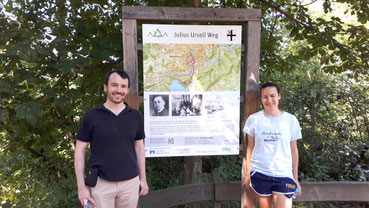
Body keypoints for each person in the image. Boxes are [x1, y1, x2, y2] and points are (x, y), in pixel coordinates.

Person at [74, 70, 149, 208]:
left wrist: (143, 179)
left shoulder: (135, 116)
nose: (118, 90)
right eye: (114, 85)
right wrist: (81, 187)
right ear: (105, 87)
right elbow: (79, 151)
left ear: (127, 90)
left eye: (123, 86)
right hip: (100, 184)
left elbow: (139, 148)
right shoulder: (91, 116)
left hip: (130, 184)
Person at [243, 82, 302, 208]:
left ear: (279, 96)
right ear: (261, 99)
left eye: (272, 96)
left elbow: (294, 151)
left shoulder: (291, 120)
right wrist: (248, 175)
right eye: (265, 97)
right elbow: (250, 148)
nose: (269, 100)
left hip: (284, 175)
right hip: (260, 173)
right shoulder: (253, 120)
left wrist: (295, 179)